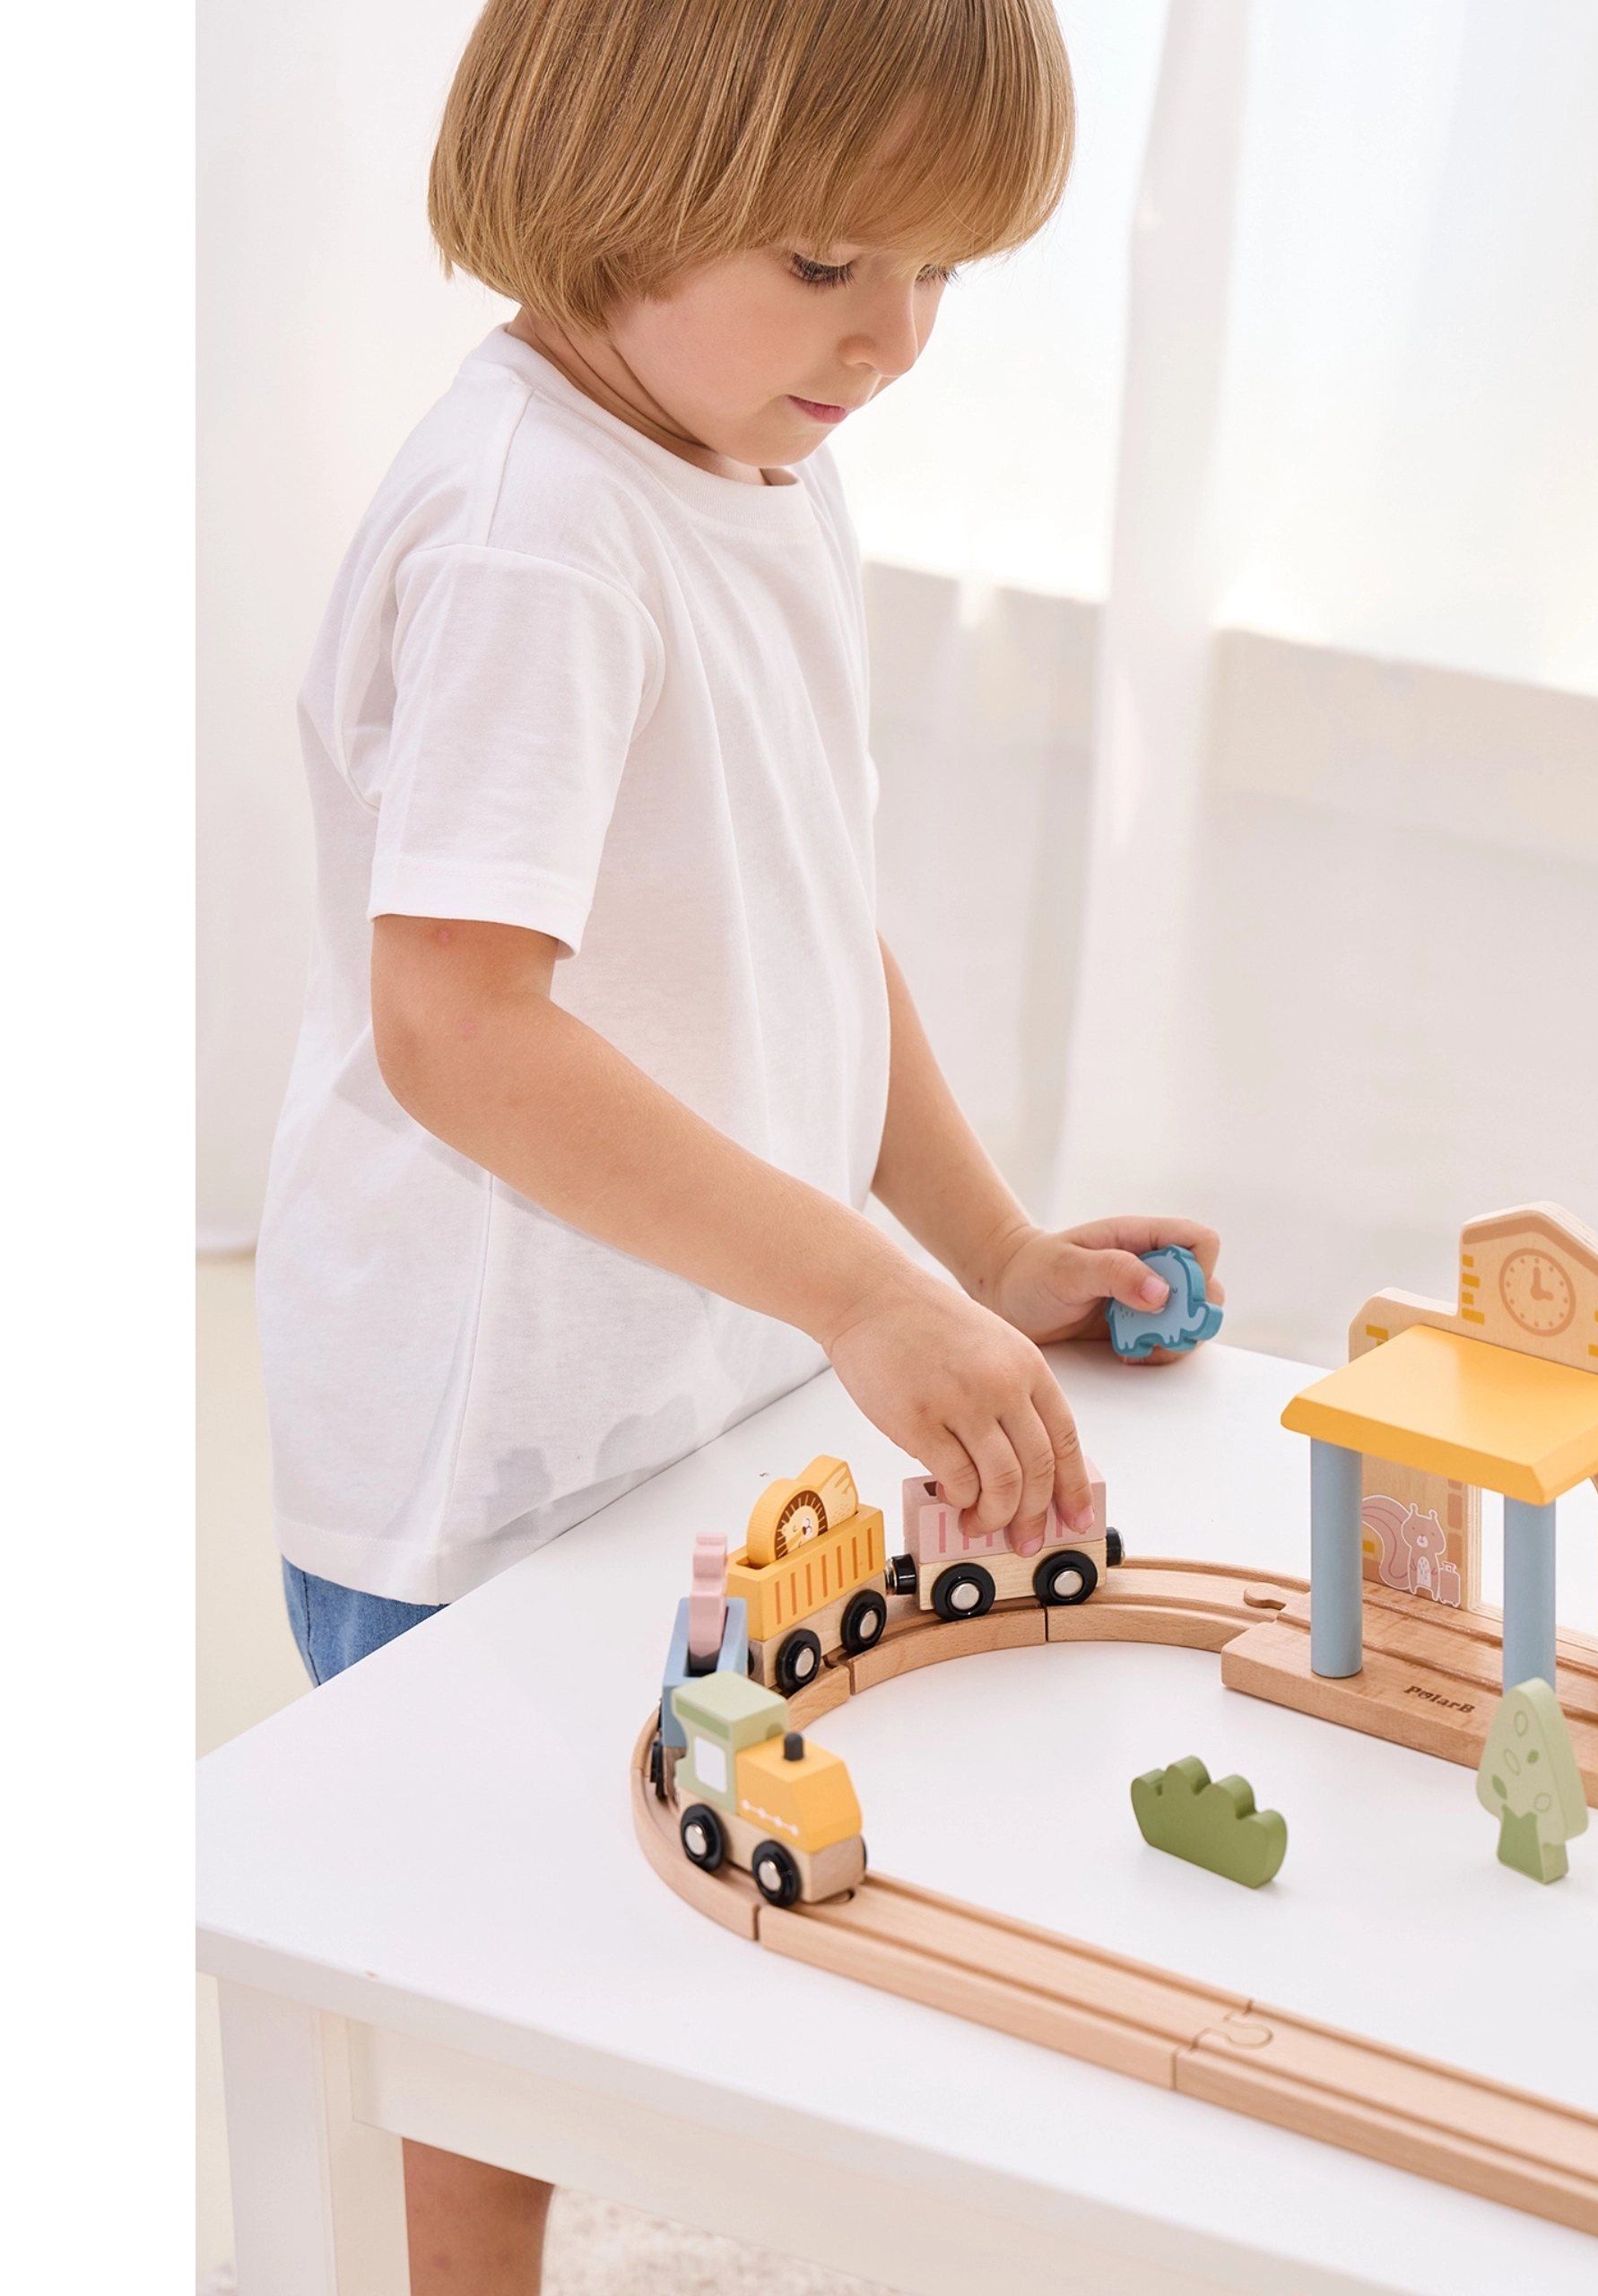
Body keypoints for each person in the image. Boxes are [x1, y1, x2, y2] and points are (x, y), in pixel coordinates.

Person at [255, 4, 1218, 2286]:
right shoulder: (541, 539)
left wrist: (977, 1243)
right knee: (482, 1989)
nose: (892, 338)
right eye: (823, 263)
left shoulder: (752, 457)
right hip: (493, 1441)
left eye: (940, 273)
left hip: (683, 1375)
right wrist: (864, 1285)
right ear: (616, 185)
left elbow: (796, 900)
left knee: (650, 1872)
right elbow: (456, 1028)